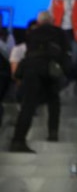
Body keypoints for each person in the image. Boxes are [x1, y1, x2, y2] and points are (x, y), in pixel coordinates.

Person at [9, 11, 69, 151]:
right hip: (50, 71)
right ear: (53, 21)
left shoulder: (33, 34)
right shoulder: (59, 33)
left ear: (39, 22)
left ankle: (18, 140)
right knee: (54, 101)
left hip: (31, 71)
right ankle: (53, 132)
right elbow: (66, 53)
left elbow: (28, 52)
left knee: (28, 106)